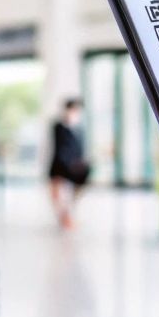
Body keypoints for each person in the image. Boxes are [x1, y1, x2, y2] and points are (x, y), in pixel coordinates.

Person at [47, 98, 90, 230]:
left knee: (69, 197)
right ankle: (65, 220)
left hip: (74, 169)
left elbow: (79, 150)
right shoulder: (59, 127)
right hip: (60, 168)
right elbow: (61, 149)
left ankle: (68, 219)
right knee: (59, 197)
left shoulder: (79, 130)